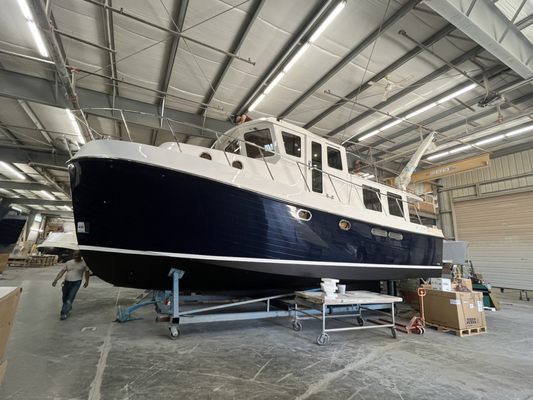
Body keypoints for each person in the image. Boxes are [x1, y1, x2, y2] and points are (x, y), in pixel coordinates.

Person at [52, 250, 90, 320]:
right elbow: (62, 272)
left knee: (70, 298)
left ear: (80, 256)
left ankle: (63, 313)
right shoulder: (69, 263)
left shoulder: (84, 264)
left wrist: (87, 281)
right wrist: (55, 280)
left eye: (78, 255)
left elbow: (87, 273)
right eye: (75, 255)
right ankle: (68, 307)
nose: (76, 256)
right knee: (64, 297)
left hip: (76, 283)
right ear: (73, 255)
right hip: (66, 282)